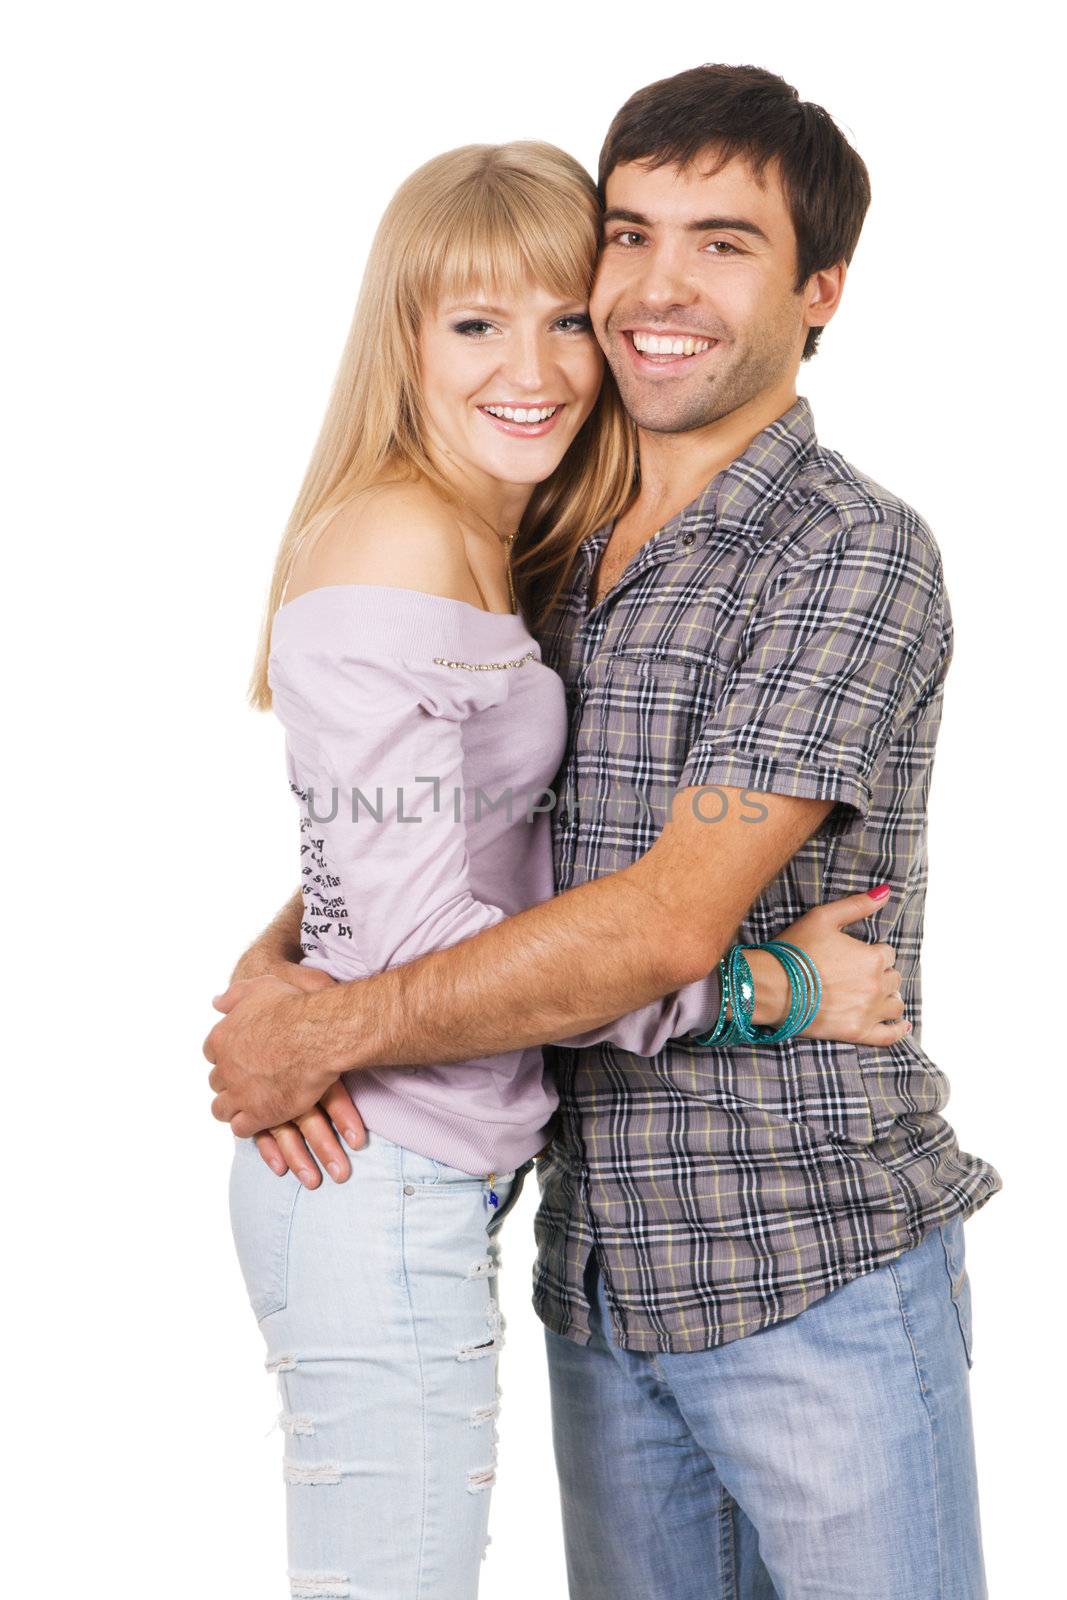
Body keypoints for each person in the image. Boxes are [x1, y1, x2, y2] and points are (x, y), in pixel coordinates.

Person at [213, 133, 913, 1599]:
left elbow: (454, 838)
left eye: (563, 320)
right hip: (382, 1172)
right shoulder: (408, 542)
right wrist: (771, 990)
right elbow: (461, 925)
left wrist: (294, 969)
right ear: (401, 341)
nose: (532, 366)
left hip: (453, 1174)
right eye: (476, 324)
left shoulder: (531, 542)